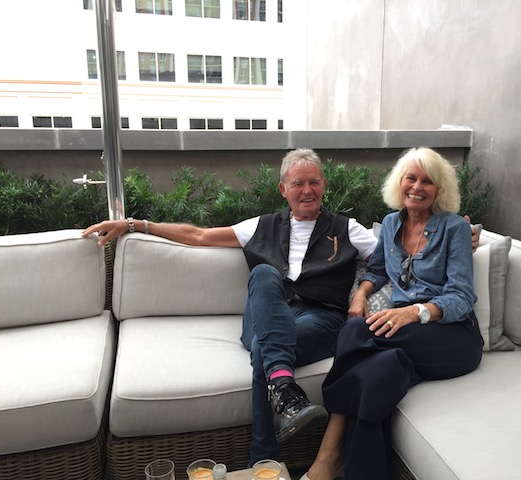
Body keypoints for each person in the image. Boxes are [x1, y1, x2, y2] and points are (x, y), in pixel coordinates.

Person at [81, 148, 379, 465]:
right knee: (264, 274)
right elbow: (198, 235)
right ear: (283, 189)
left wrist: (362, 292)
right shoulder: (262, 226)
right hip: (267, 313)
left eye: (314, 182)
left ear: (324, 184)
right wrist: (134, 225)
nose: (307, 191)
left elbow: (388, 261)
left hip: (320, 317)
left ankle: (265, 451)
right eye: (298, 184)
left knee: (266, 349)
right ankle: (282, 397)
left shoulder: (348, 229)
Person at [301, 147, 485, 480]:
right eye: (410, 178)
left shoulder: (454, 229)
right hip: (405, 334)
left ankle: (327, 455)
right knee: (380, 371)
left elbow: (461, 297)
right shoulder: (390, 224)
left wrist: (415, 312)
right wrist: (360, 294)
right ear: (399, 183)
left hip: (452, 335)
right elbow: (377, 270)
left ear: (439, 189)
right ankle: (353, 469)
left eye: (427, 181)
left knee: (354, 333)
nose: (417, 186)